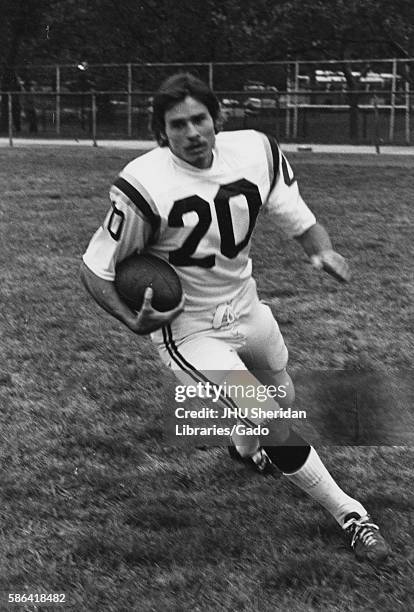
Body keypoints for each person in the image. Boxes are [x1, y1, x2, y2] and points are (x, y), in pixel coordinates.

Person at [80, 72, 390, 563]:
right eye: (177, 124)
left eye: (200, 119)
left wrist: (321, 250)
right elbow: (95, 267)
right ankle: (351, 514)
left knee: (281, 395)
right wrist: (130, 319)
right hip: (189, 326)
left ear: (217, 117)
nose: (192, 133)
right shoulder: (142, 183)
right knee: (270, 417)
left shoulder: (254, 149)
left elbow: (293, 211)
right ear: (161, 132)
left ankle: (243, 452)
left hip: (244, 303)